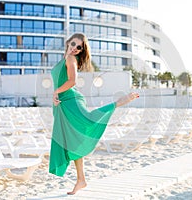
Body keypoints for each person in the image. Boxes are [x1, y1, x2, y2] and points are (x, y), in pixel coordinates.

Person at [49, 32, 139, 195]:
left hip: (69, 101)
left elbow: (72, 81)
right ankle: (81, 179)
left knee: (88, 122)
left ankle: (120, 101)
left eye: (79, 48)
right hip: (62, 103)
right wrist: (56, 94)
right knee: (73, 140)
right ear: (68, 42)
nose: (75, 48)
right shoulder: (65, 59)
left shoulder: (71, 59)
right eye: (74, 44)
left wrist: (56, 92)